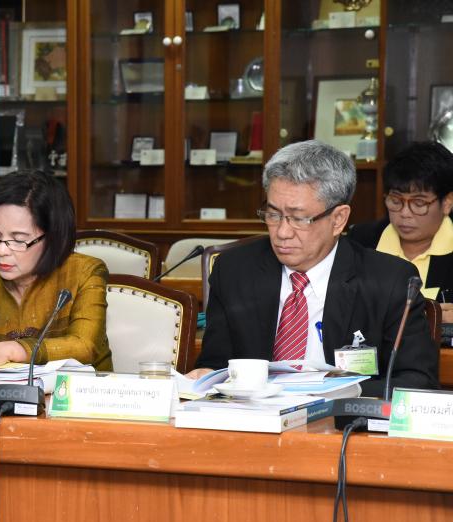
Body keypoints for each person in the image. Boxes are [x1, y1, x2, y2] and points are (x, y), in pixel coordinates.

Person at [189, 140, 438, 397]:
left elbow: (417, 381)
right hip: (253, 416)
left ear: (338, 219)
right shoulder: (234, 271)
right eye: (273, 215)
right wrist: (204, 375)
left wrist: (328, 395)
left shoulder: (389, 281)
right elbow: (216, 364)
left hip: (340, 417)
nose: (282, 232)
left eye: (299, 218)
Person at [0, 170, 111, 370]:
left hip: (81, 389)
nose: (1, 251)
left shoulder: (83, 273)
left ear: (52, 238)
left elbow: (85, 347)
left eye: (18, 240)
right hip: (5, 390)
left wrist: (12, 349)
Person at [348, 141, 453, 322]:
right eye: (396, 201)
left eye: (419, 203)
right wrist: (428, 316)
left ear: (447, 203)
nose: (404, 213)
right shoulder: (360, 242)